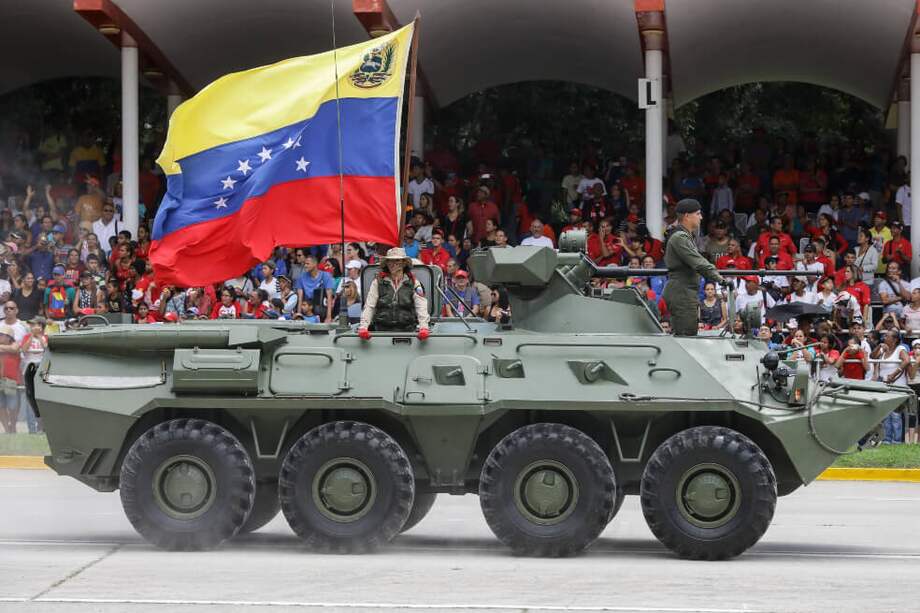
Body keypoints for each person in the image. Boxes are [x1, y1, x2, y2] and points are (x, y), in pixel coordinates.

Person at [662, 199, 728, 335]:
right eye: (698, 214)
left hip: (685, 292)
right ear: (687, 216)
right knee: (685, 335)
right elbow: (698, 262)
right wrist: (720, 279)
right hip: (682, 292)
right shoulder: (680, 237)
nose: (701, 217)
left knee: (687, 333)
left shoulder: (685, 236)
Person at [358, 247, 430, 338]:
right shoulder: (378, 282)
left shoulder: (413, 282)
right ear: (386, 263)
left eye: (397, 260)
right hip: (381, 330)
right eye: (390, 261)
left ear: (404, 263)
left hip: (407, 331)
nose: (393, 264)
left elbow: (421, 306)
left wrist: (424, 327)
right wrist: (364, 326)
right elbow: (369, 305)